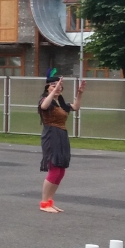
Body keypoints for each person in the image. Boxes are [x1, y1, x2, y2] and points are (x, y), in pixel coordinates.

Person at [39, 71, 85, 213]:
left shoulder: (61, 102)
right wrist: (53, 92)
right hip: (51, 135)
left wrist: (80, 93)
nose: (58, 87)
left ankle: (50, 202)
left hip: (62, 135)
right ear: (48, 87)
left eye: (60, 85)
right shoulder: (45, 99)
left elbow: (76, 107)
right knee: (54, 169)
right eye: (54, 85)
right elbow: (44, 107)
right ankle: (44, 203)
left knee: (60, 171)